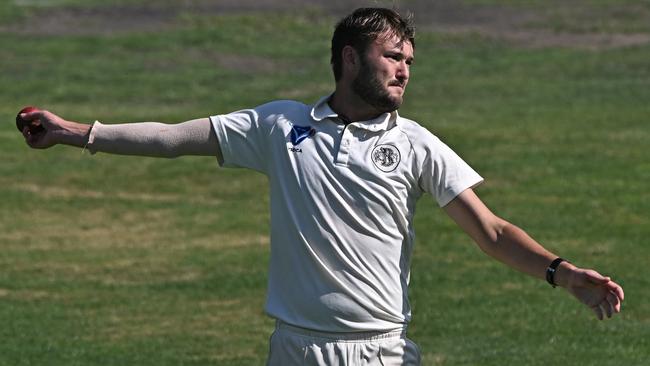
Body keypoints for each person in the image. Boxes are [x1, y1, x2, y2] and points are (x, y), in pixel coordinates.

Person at [19, 7, 623, 366]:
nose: (405, 69)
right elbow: (175, 137)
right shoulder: (280, 125)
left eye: (410, 59)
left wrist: (564, 273)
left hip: (379, 351)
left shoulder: (415, 143)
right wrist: (73, 132)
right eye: (392, 56)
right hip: (296, 350)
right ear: (350, 59)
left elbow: (490, 231)